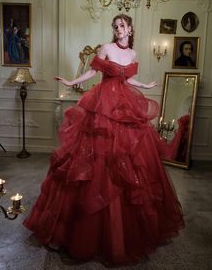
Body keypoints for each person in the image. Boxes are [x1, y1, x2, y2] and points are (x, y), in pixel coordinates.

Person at [23, 14, 184, 266]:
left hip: (125, 105)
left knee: (128, 159)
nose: (118, 29)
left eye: (122, 26)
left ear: (130, 29)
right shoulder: (106, 48)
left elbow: (129, 80)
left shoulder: (133, 54)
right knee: (95, 158)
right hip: (102, 105)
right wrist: (71, 81)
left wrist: (146, 85)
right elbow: (92, 73)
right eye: (115, 26)